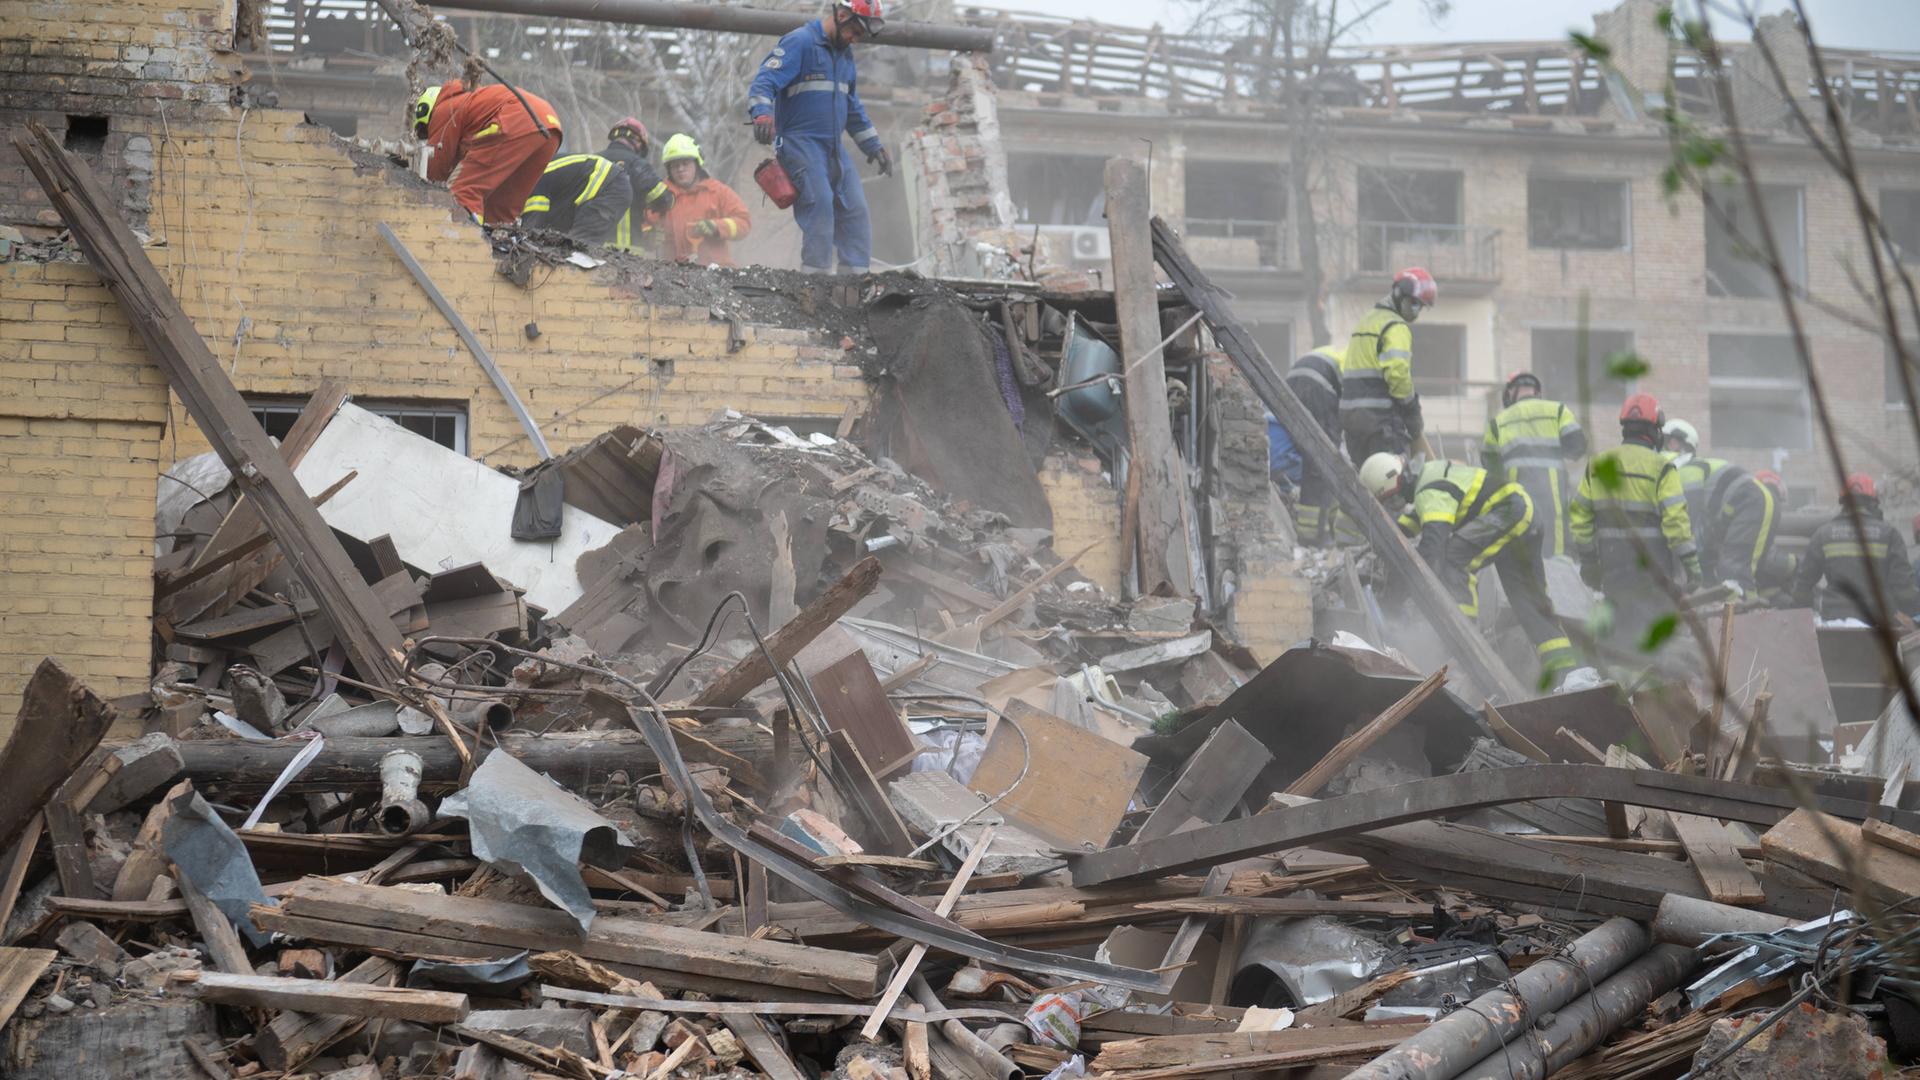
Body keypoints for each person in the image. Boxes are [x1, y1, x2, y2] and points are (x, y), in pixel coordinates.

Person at [1359, 452, 1576, 682]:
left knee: (1453, 560)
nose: (1398, 504)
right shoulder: (1430, 478)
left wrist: (1401, 592)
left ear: (1397, 481)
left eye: (1394, 499)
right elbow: (1415, 521)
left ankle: (1463, 643)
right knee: (1530, 602)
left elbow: (1433, 547)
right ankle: (1569, 675)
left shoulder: (1431, 491)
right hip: (1524, 513)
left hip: (1508, 512)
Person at [748, 0, 890, 274]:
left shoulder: (844, 55)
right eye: (854, 32)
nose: (854, 40)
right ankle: (815, 288)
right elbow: (764, 81)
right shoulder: (800, 42)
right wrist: (762, 113)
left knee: (857, 212)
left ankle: (856, 290)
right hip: (800, 143)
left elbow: (852, 107)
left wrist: (874, 146)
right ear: (841, 15)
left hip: (833, 147)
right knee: (820, 205)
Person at [1567, 393, 1701, 642]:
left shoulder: (1598, 465)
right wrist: (1691, 564)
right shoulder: (1661, 468)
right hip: (1652, 571)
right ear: (1654, 431)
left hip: (1612, 567)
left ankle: (1621, 676)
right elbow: (1676, 522)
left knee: (1620, 634)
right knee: (1655, 639)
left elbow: (1580, 517)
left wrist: (1589, 562)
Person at [415, 79, 563, 225]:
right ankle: (499, 238)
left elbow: (438, 162)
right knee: (501, 205)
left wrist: (414, 182)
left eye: (425, 131)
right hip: (550, 127)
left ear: (425, 110)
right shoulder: (472, 99)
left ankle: (464, 240)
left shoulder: (445, 107)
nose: (429, 136)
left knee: (463, 191)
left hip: (518, 118)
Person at [1663, 420, 1776, 596]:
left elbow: (1687, 519)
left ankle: (1742, 617)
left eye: (1668, 441)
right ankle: (1734, 612)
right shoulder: (1690, 470)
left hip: (1750, 503)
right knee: (1724, 569)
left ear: (1684, 445)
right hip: (1750, 504)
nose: (1662, 448)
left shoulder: (1689, 469)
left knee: (1734, 574)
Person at [1482, 372, 1586, 560]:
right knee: (1557, 545)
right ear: (1537, 391)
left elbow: (1490, 467)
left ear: (1511, 392)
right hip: (1553, 495)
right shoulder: (1558, 411)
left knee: (1522, 544)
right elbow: (1577, 448)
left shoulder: (1497, 422)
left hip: (1517, 496)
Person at [1790, 474, 1920, 623]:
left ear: (1843, 502)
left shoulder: (1823, 534)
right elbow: (1903, 586)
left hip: (1834, 621)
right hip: (1879, 625)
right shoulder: (1889, 534)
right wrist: (1914, 615)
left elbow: (1803, 583)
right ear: (1874, 502)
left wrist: (1801, 616)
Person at [1341, 268, 1435, 462]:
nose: (1417, 313)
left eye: (1421, 308)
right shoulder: (1396, 326)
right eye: (1415, 305)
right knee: (1392, 483)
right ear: (1400, 295)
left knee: (1366, 482)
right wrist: (1411, 410)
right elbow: (1398, 374)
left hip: (1352, 422)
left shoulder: (1366, 322)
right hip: (1381, 423)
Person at [1269, 343, 1345, 546]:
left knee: (1312, 455)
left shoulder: (1347, 353)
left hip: (1294, 380)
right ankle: (1313, 535)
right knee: (1323, 461)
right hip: (1317, 384)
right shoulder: (1365, 373)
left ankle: (1313, 532)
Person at [651, 134, 752, 267]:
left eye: (685, 163)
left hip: (716, 273)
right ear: (669, 169)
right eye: (675, 165)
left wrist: (716, 227)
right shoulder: (661, 195)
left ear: (697, 164)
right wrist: (650, 234)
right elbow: (645, 223)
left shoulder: (718, 192)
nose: (680, 169)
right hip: (672, 275)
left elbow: (744, 222)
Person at [519, 150, 631, 245]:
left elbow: (533, 224)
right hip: (610, 185)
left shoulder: (532, 177)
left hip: (610, 186)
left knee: (578, 247)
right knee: (568, 246)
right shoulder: (539, 171)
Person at [600, 118, 675, 252]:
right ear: (637, 141)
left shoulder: (592, 161)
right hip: (627, 254)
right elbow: (664, 199)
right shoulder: (636, 164)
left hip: (593, 252)